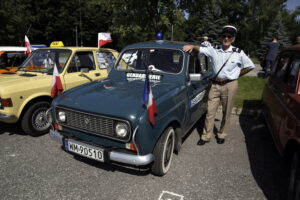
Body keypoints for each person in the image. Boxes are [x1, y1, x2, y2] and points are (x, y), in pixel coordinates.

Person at [183, 25, 255, 145]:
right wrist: (191, 46)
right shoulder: (214, 49)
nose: (226, 38)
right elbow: (200, 49)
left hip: (230, 85)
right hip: (215, 85)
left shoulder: (238, 53)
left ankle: (222, 134)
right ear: (221, 37)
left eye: (229, 36)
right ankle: (206, 136)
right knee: (210, 111)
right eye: (224, 36)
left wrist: (237, 74)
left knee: (226, 112)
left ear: (233, 39)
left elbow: (250, 66)